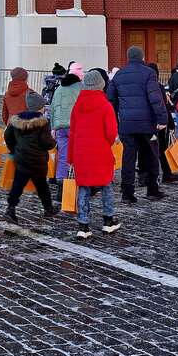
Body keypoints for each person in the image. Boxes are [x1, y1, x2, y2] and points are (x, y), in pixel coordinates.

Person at [106, 46, 168, 203]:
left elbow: (110, 100)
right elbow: (155, 97)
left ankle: (127, 193)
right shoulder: (149, 73)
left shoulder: (119, 75)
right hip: (147, 123)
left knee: (128, 157)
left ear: (128, 57)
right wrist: (162, 119)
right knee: (151, 155)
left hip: (127, 124)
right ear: (142, 57)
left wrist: (118, 117)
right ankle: (152, 190)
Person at [67, 70, 120, 237]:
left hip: (81, 153)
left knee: (83, 187)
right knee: (106, 185)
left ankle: (83, 225)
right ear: (101, 86)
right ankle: (108, 220)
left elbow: (72, 133)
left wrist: (70, 157)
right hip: (101, 151)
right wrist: (107, 144)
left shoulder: (77, 106)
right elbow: (112, 132)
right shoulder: (106, 106)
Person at [4, 91, 58, 222]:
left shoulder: (17, 120)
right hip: (37, 161)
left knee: (18, 184)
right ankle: (48, 208)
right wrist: (54, 143)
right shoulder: (43, 122)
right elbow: (46, 142)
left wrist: (14, 149)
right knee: (42, 186)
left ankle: (10, 208)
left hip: (21, 159)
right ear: (40, 108)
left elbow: (7, 135)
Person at [49, 71, 83, 195]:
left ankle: (61, 186)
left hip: (60, 127)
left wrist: (53, 126)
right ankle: (80, 183)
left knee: (63, 155)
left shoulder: (59, 89)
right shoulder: (80, 88)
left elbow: (52, 109)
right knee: (79, 154)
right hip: (76, 126)